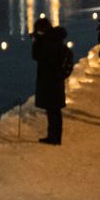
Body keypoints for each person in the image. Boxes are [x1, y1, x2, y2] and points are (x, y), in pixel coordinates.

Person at [31, 17, 71, 145]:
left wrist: (36, 41)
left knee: (52, 111)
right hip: (56, 80)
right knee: (54, 110)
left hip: (50, 80)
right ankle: (54, 136)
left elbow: (37, 55)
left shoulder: (48, 43)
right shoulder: (56, 40)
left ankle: (53, 138)